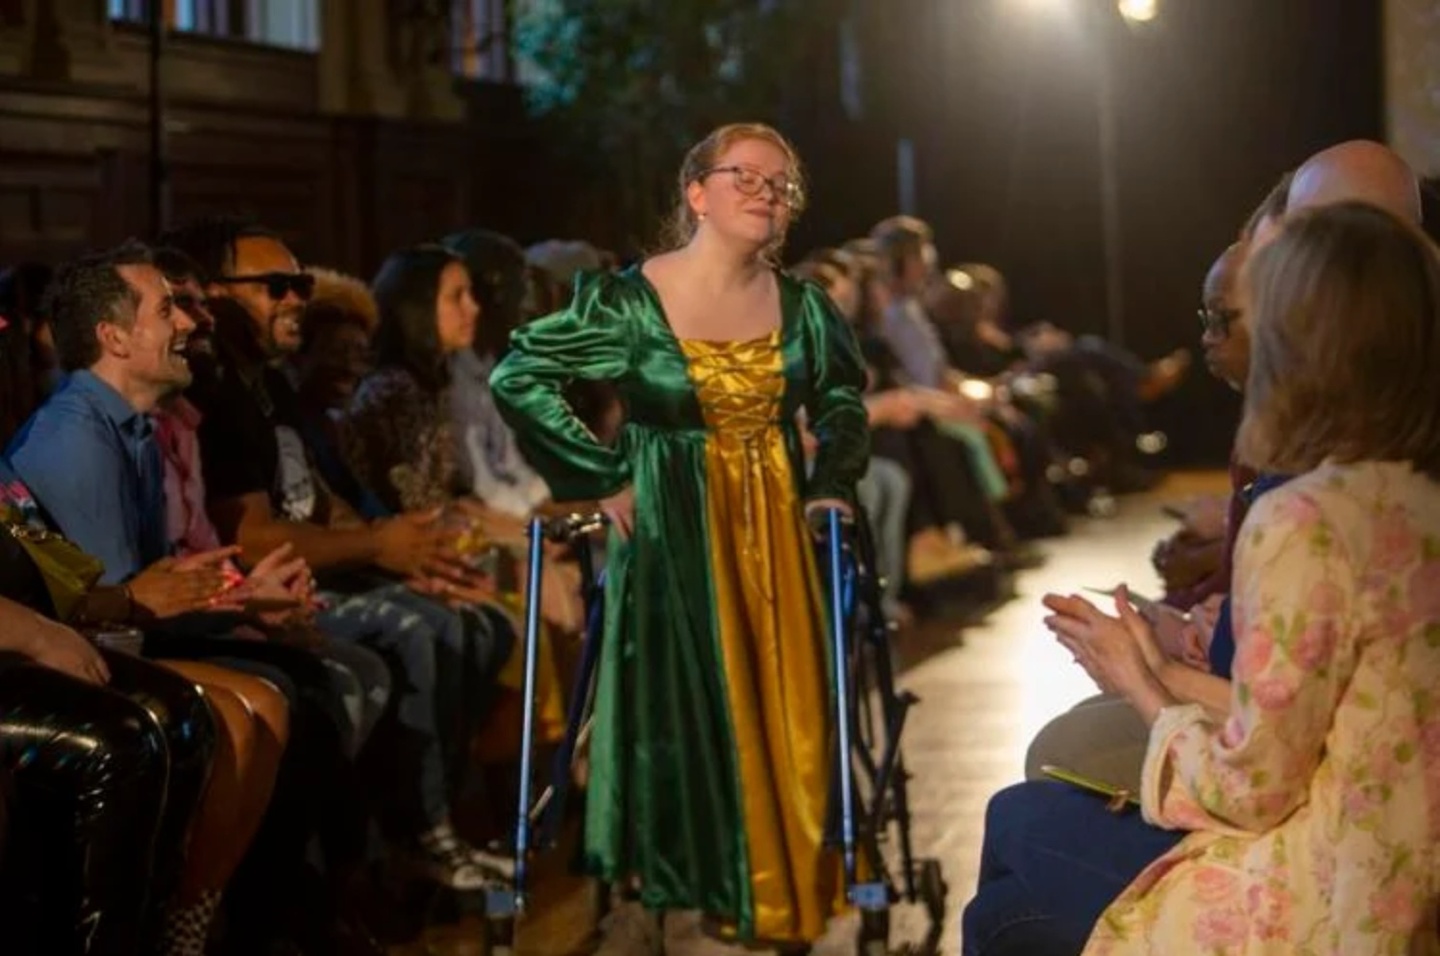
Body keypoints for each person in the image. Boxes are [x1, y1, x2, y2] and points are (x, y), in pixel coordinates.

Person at [491, 122, 870, 950]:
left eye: (782, 182)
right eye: (747, 175)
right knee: (681, 701)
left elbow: (842, 401)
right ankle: (690, 887)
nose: (768, 191)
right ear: (696, 193)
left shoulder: (804, 308)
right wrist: (599, 477)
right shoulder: (628, 302)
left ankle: (778, 889)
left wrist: (829, 486)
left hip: (773, 519)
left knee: (783, 701)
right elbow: (520, 374)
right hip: (672, 521)